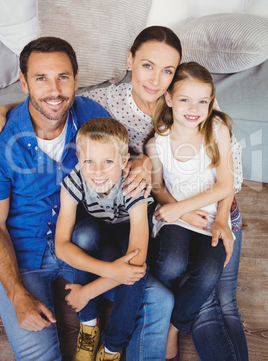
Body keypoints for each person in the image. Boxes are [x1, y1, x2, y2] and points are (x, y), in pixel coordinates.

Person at [0, 27, 247, 360]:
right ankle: (103, 324)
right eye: (147, 65)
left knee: (205, 301)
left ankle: (154, 335)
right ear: (130, 61)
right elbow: (50, 99)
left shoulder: (189, 108)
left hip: (203, 213)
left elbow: (227, 178)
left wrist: (216, 215)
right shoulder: (97, 105)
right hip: (128, 224)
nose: (156, 80)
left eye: (167, 71)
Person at [0, 36, 173, 361]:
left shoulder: (89, 114)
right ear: (23, 82)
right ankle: (88, 325)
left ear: (76, 79)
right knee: (37, 353)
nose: (54, 90)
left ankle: (112, 345)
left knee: (161, 301)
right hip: (26, 257)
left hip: (84, 240)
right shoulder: (4, 138)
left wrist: (144, 161)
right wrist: (15, 293)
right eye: (41, 78)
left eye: (63, 77)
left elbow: (121, 151)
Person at [146, 61, 238, 359]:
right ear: (169, 99)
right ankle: (167, 297)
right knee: (170, 264)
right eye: (185, 99)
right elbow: (158, 188)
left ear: (211, 102)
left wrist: (219, 218)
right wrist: (179, 212)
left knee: (210, 273)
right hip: (174, 215)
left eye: (203, 101)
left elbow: (226, 185)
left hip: (209, 218)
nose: (194, 108)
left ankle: (175, 324)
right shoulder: (157, 142)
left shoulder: (216, 129)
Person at [55, 117, 154, 360]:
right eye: (89, 161)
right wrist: (111, 271)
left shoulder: (133, 183)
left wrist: (86, 291)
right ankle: (88, 322)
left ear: (124, 161)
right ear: (79, 158)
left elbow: (135, 259)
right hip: (99, 229)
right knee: (82, 234)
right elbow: (61, 246)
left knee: (134, 275)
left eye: (108, 162)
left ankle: (112, 346)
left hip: (131, 231)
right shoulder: (74, 181)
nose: (98, 171)